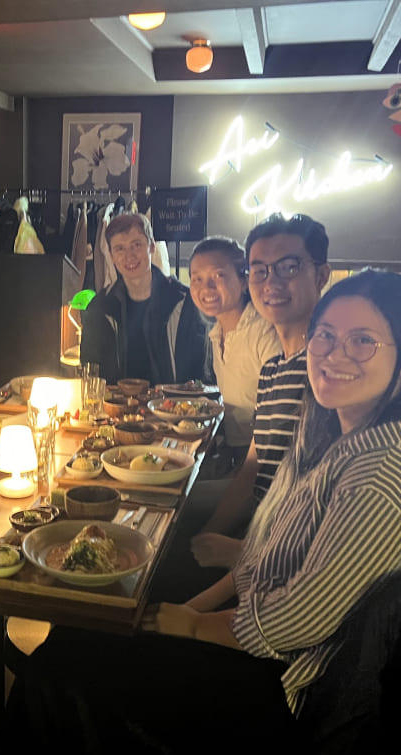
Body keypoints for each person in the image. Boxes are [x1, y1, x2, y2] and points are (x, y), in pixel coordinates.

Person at [7, 269, 401, 755]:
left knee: (68, 665)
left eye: (363, 342)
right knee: (94, 621)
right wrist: (202, 604)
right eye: (325, 335)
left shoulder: (383, 476)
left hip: (296, 700)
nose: (334, 354)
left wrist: (192, 626)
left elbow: (296, 621)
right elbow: (278, 546)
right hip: (287, 654)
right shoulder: (351, 428)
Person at [187, 213, 331, 577]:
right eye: (262, 271)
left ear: (322, 275)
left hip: (285, 565)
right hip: (258, 531)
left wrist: (241, 552)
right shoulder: (274, 371)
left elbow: (327, 514)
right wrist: (213, 535)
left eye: (289, 267)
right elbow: (256, 471)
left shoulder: (329, 374)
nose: (272, 283)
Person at [79, 212, 208, 386]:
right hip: (117, 408)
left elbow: (202, 372)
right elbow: (91, 371)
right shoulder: (99, 307)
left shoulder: (186, 302)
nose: (129, 256)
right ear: (110, 254)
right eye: (120, 249)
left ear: (152, 247)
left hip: (174, 408)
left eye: (136, 245)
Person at [188, 235, 280, 463]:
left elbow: (280, 422)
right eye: (196, 279)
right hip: (234, 453)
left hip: (264, 463)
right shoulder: (216, 333)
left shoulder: (264, 333)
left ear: (243, 281)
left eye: (218, 276)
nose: (206, 288)